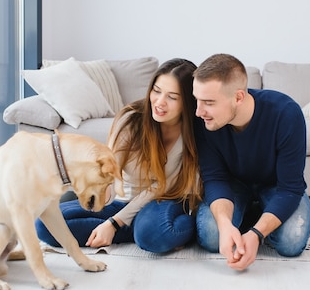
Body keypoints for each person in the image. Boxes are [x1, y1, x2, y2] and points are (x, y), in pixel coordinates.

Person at [35, 58, 202, 254]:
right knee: (44, 225)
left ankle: (165, 230)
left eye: (172, 97)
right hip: (122, 201)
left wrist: (114, 223)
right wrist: (99, 195)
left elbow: (161, 187)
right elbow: (112, 174)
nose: (160, 102)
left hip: (164, 201)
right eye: (156, 91)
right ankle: (138, 232)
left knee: (151, 233)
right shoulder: (131, 120)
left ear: (188, 101)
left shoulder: (193, 132)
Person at [192, 53, 310, 271]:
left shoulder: (286, 113)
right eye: (197, 100)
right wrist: (225, 225)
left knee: (292, 241)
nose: (198, 112)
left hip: (276, 186)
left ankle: (257, 220)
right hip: (232, 185)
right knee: (212, 236)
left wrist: (256, 235)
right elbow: (214, 178)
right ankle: (245, 218)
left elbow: (290, 188)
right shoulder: (204, 120)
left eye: (208, 102)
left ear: (238, 97)